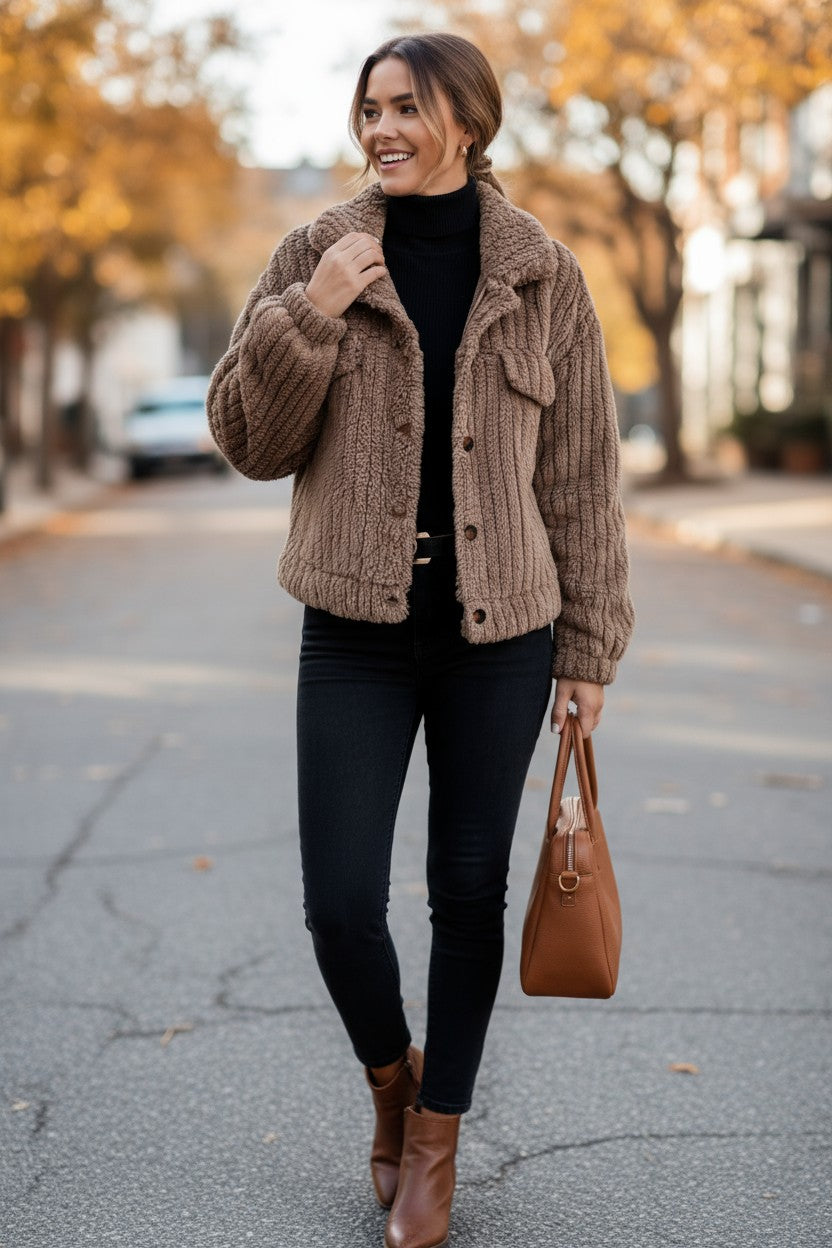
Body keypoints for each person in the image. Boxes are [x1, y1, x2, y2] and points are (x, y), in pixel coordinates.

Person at [208, 31, 634, 1248]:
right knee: (340, 903)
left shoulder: (543, 274)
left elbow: (581, 476)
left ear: (468, 121)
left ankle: (434, 1140)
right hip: (354, 626)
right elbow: (248, 439)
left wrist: (590, 650)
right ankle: (389, 1082)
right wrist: (313, 313)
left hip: (502, 630)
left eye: (408, 107)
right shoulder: (315, 254)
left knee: (466, 890)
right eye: (371, 108)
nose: (384, 129)